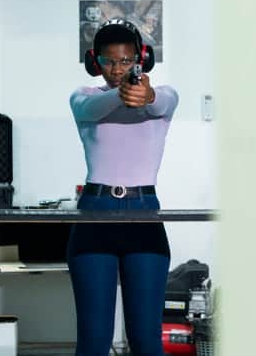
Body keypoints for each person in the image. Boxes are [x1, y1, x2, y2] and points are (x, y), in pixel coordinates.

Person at [68, 19, 179, 356]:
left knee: (146, 340)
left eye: (125, 61)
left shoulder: (165, 96)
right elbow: (94, 108)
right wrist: (122, 94)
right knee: (93, 342)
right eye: (108, 61)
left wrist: (146, 94)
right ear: (95, 62)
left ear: (140, 59)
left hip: (144, 212)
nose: (117, 69)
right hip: (94, 215)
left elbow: (160, 102)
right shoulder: (83, 97)